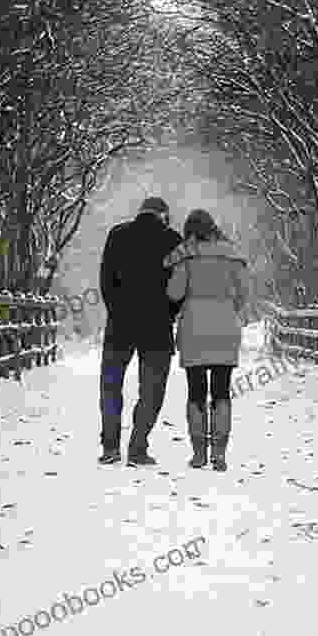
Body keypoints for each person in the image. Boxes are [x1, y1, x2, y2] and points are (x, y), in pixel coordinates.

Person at [98, 196, 183, 466]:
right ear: (164, 216)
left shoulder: (117, 234)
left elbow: (105, 279)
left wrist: (116, 310)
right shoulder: (173, 240)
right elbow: (180, 287)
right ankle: (137, 447)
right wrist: (168, 314)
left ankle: (110, 447)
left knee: (111, 386)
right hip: (156, 328)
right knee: (152, 390)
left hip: (119, 326)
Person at [164, 209, 249, 472]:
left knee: (196, 393)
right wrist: (228, 308)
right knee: (222, 392)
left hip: (194, 328)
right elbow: (243, 294)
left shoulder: (186, 255)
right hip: (225, 328)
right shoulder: (231, 253)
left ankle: (199, 453)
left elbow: (174, 292)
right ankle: (220, 455)